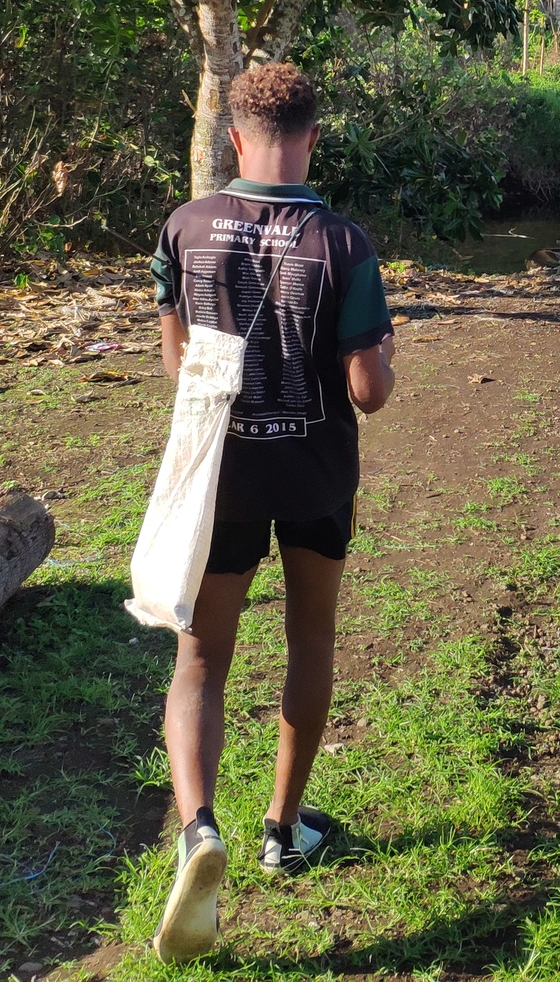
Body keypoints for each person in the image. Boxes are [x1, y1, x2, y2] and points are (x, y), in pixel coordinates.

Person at [147, 61, 397, 961]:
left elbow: (179, 370)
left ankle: (198, 828)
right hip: (317, 475)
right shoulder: (344, 242)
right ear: (314, 138)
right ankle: (282, 831)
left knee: (201, 660)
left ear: (235, 138)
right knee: (310, 643)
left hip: (224, 476)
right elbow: (367, 391)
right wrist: (380, 358)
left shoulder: (185, 226)